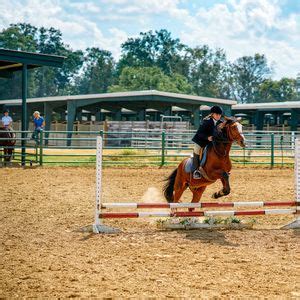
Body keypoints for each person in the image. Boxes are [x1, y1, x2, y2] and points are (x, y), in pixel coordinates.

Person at [191, 105, 223, 179]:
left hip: (212, 142)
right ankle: (196, 170)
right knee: (197, 150)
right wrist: (207, 137)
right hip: (201, 141)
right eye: (217, 114)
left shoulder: (221, 123)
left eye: (219, 114)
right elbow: (199, 133)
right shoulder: (207, 121)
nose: (218, 116)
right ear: (212, 114)